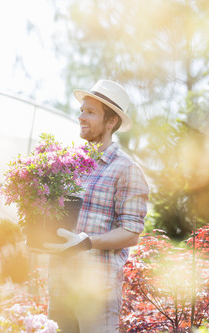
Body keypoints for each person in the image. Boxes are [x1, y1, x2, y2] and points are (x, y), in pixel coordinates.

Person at [44, 79, 149, 333]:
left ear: (111, 121)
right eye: (82, 110)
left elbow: (132, 233)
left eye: (90, 112)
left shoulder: (127, 169)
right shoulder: (70, 167)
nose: (82, 116)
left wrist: (87, 241)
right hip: (61, 287)